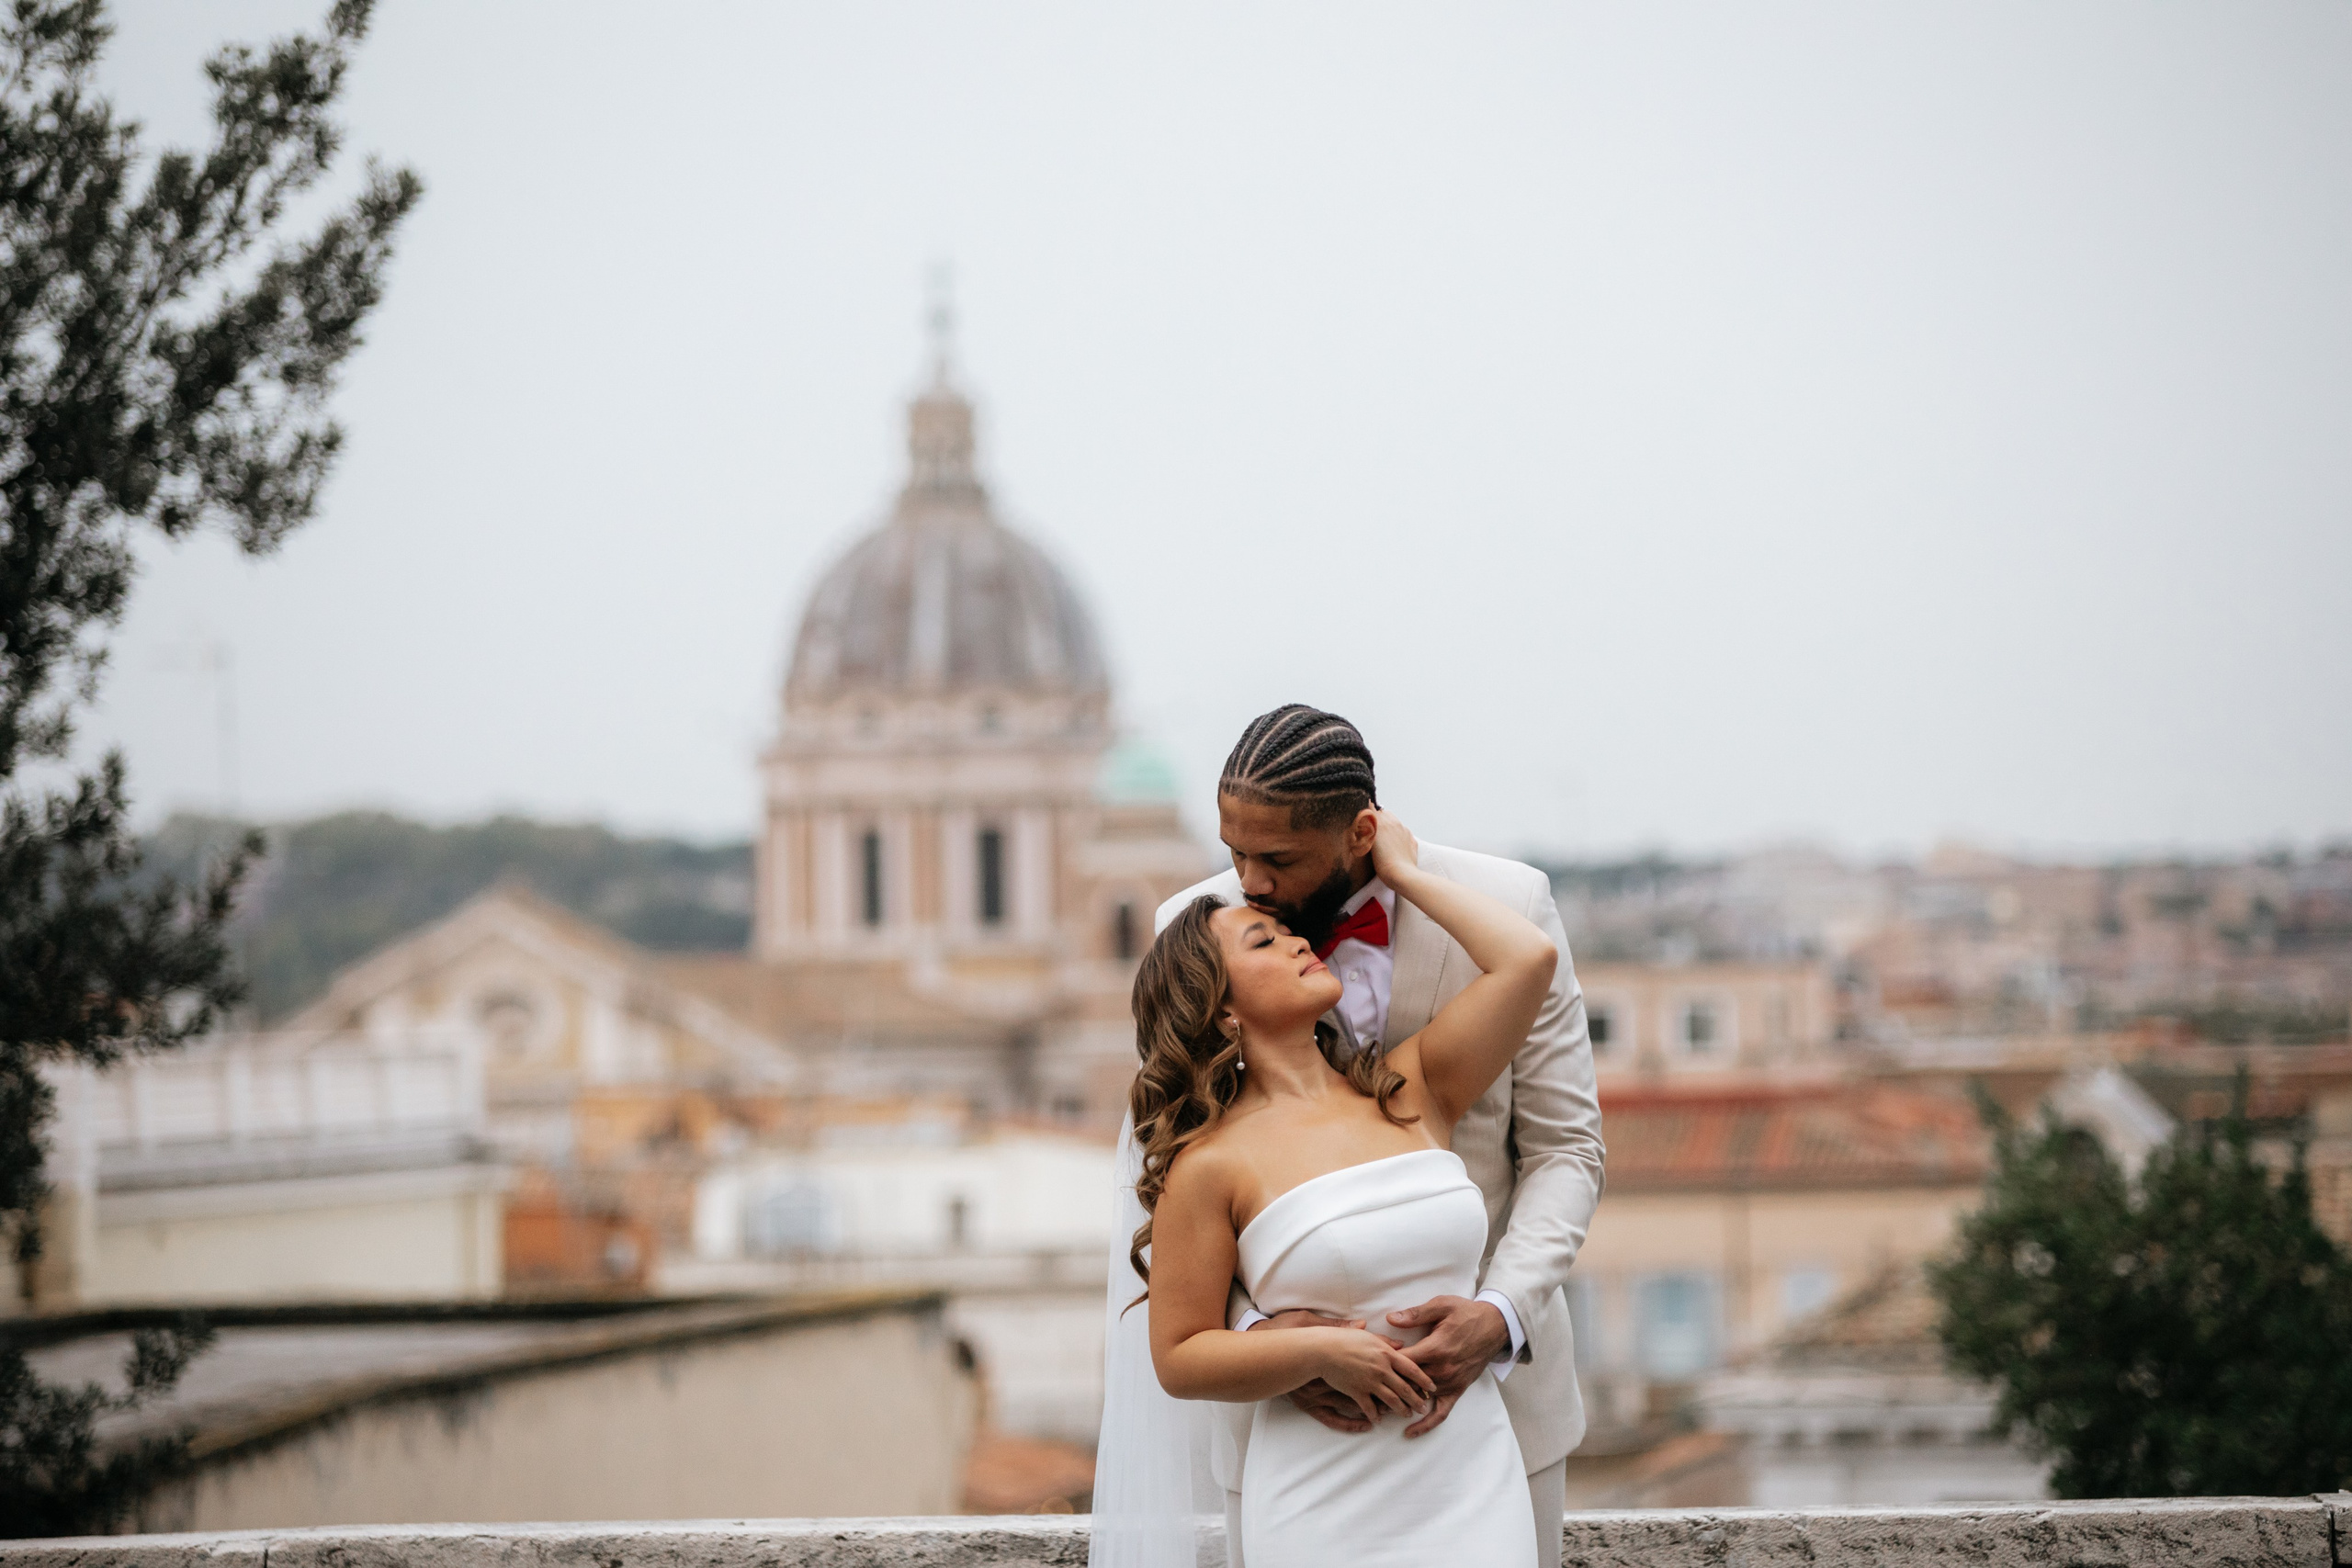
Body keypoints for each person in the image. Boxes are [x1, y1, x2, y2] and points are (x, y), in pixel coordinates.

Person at [1090, 704, 1606, 1568]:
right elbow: (1176, 1214)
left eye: (1277, 859)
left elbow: (1565, 1149)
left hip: (1490, 1423)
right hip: (1299, 1440)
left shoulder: (1444, 1020)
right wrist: (1277, 1340)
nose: (1248, 883)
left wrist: (1498, 1314)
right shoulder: (1199, 926)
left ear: (1357, 830)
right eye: (1233, 851)